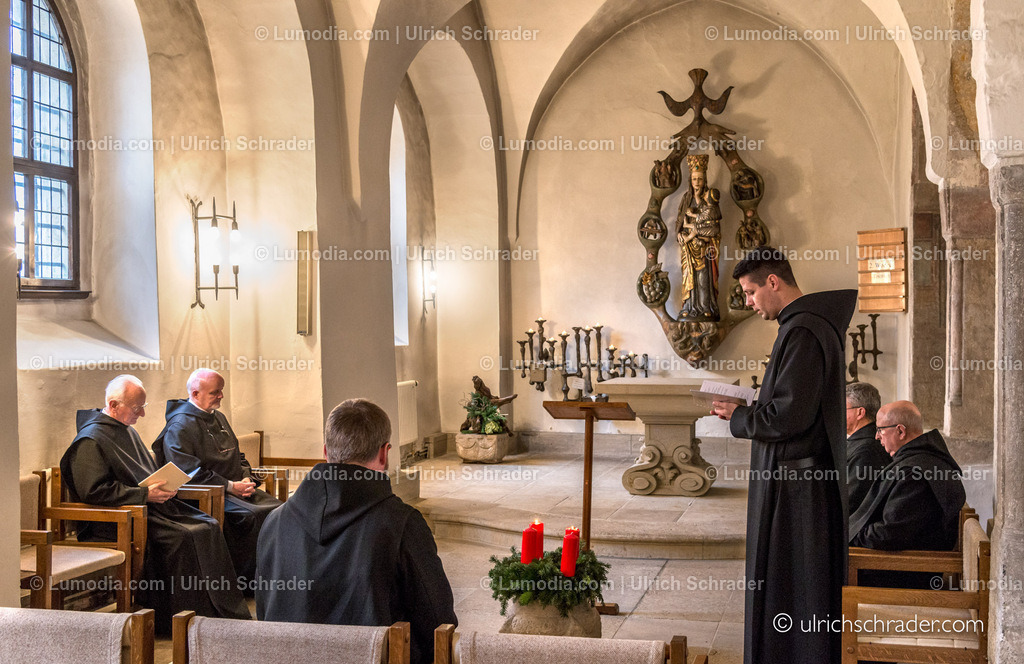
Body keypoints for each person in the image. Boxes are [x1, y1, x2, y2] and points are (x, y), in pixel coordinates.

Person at [711, 246, 856, 664]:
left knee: (791, 588)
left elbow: (789, 416)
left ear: (773, 282)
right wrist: (751, 403)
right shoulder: (805, 326)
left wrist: (741, 416)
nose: (749, 303)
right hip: (797, 484)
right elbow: (795, 403)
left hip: (795, 493)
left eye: (751, 292)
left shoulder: (804, 330)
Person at [256, 398, 456, 664]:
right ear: (384, 453)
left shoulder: (274, 521)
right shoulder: (403, 523)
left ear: (326, 452)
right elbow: (437, 624)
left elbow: (265, 611)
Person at [60, 375, 250, 633]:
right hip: (116, 519)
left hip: (148, 508)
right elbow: (93, 491)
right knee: (183, 536)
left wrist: (162, 487)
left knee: (208, 524)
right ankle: (173, 620)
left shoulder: (125, 429)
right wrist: (143, 495)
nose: (142, 415)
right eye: (137, 408)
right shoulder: (90, 440)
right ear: (114, 405)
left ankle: (215, 613)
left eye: (143, 407)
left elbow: (143, 474)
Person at [153, 369, 281, 585]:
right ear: (195, 394)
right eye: (215, 392)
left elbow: (237, 455)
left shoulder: (218, 417)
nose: (221, 396)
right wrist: (230, 486)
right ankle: (248, 582)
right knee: (252, 517)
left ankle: (275, 576)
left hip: (236, 490)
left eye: (221, 391)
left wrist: (247, 478)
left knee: (280, 510)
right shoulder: (180, 425)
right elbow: (187, 472)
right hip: (206, 495)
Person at [850, 401, 966, 551]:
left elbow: (889, 534)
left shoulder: (913, 473)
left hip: (906, 568)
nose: (877, 437)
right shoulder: (923, 459)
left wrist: (853, 536)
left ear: (900, 431)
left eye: (880, 430)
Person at [676, 154, 722, 321]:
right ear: (690, 179)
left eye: (700, 179)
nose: (697, 182)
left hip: (704, 248)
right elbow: (679, 222)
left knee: (703, 278)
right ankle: (688, 307)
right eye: (694, 178)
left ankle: (705, 307)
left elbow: (715, 227)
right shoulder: (686, 199)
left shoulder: (709, 201)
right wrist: (680, 233)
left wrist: (704, 234)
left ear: (704, 180)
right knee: (689, 277)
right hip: (689, 249)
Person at [845, 382, 892, 514]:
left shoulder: (866, 450)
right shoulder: (862, 442)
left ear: (860, 412)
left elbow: (852, 501)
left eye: (843, 408)